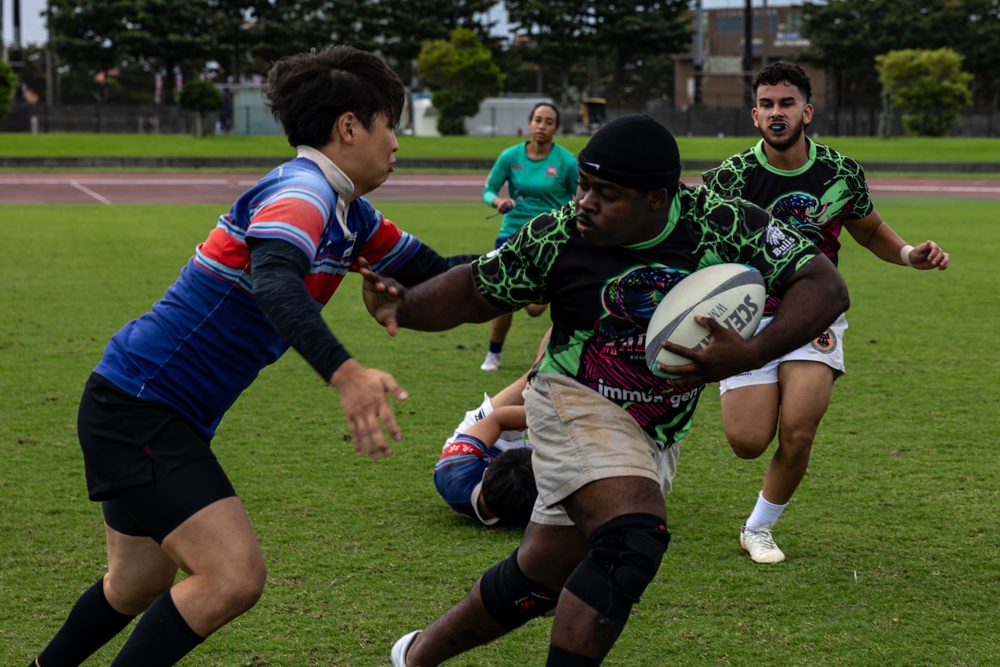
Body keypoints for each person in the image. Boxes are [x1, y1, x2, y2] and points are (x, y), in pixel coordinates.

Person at [28, 46, 477, 667]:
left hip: (143, 405)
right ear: (349, 126)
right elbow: (274, 281)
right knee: (233, 578)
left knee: (134, 585)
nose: (396, 142)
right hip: (140, 408)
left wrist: (547, 263)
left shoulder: (351, 213)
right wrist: (345, 373)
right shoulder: (303, 190)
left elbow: (440, 275)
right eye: (388, 123)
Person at [361, 114, 850, 667]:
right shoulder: (558, 233)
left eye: (606, 193)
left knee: (542, 571)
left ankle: (414, 656)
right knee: (631, 540)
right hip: (573, 400)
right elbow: (477, 292)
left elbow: (824, 284)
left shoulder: (723, 223)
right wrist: (404, 306)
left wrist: (754, 353)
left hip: (655, 429)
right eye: (584, 186)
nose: (586, 202)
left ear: (656, 199)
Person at [702, 61, 951, 565]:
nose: (777, 112)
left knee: (798, 430)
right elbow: (702, 249)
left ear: (806, 111)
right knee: (748, 442)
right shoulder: (729, 178)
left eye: (787, 103)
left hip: (813, 315)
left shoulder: (841, 173)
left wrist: (908, 255)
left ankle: (759, 529)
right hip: (748, 318)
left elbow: (871, 231)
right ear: (754, 115)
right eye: (767, 104)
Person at [479, 101, 578, 371]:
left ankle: (557, 352)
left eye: (548, 121)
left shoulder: (567, 162)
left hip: (551, 239)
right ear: (530, 123)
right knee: (502, 296)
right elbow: (488, 190)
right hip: (511, 233)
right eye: (537, 120)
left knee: (535, 309)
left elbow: (582, 197)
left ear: (556, 128)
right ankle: (493, 354)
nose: (541, 126)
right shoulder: (511, 157)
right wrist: (497, 202)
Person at [435, 405, 537, 526]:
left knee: (522, 390)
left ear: (486, 471)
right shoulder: (531, 508)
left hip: (481, 442)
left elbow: (498, 418)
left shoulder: (456, 466)